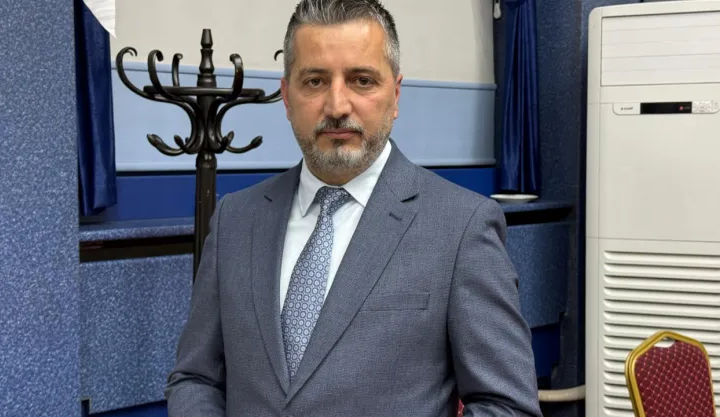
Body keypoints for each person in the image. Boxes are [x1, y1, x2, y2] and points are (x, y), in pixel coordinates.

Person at [164, 0, 542, 416]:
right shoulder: (236, 219)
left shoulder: (460, 227)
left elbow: (507, 406)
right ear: (286, 97)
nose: (337, 106)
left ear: (395, 95)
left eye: (362, 81)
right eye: (315, 81)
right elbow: (196, 378)